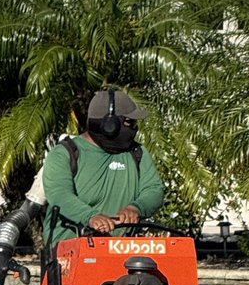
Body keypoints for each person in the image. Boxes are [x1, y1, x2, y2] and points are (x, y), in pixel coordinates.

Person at [39, 89, 164, 249]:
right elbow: (59, 194)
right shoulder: (65, 153)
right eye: (129, 122)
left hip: (120, 254)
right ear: (109, 125)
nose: (135, 127)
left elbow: (154, 190)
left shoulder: (137, 152)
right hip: (68, 255)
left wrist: (136, 208)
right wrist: (90, 217)